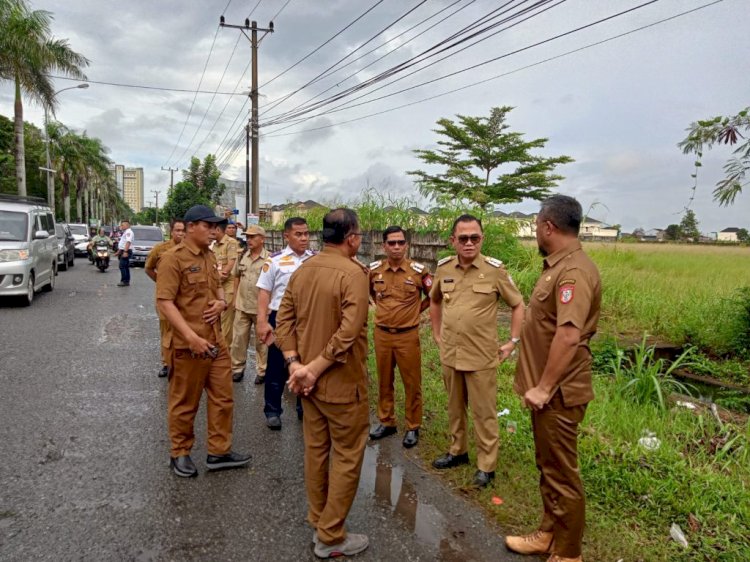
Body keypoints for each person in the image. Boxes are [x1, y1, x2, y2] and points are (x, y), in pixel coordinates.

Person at [505, 195, 601, 562]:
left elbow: (569, 335)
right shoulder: (559, 266)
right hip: (547, 392)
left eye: (535, 225)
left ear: (548, 226)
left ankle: (568, 552)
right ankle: (548, 534)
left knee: (562, 472)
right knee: (548, 466)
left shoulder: (573, 272)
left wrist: (544, 387)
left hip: (559, 393)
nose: (535, 231)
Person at [276, 208, 370, 559]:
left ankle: (319, 519)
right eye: (359, 234)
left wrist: (295, 363)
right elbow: (349, 331)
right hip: (340, 384)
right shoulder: (354, 273)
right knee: (346, 455)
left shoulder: (303, 271)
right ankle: (330, 537)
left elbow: (282, 319)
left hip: (307, 387)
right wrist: (312, 369)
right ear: (352, 238)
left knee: (316, 451)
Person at [429, 214, 525, 488]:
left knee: (484, 413)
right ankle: (457, 451)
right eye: (463, 238)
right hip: (451, 353)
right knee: (454, 407)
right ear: (453, 241)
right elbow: (434, 301)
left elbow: (518, 305)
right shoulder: (444, 269)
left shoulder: (495, 270)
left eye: (475, 238)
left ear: (481, 239)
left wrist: (512, 341)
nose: (469, 243)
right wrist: (437, 334)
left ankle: (486, 466)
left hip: (482, 355)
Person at [156, 205, 251, 478]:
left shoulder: (209, 255)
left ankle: (218, 451)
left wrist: (222, 302)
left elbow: (217, 285)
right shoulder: (172, 259)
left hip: (215, 341)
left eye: (216, 227)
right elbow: (165, 302)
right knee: (185, 403)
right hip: (189, 346)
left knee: (223, 398)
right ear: (192, 226)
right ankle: (180, 452)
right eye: (209, 227)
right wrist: (191, 337)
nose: (214, 232)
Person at [368, 226, 432, 448]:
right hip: (382, 334)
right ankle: (387, 421)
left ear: (407, 245)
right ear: (384, 245)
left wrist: (416, 312)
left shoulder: (419, 271)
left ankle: (413, 426)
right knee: (384, 380)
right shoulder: (374, 271)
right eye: (391, 243)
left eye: (400, 243)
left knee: (412, 382)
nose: (396, 247)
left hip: (408, 335)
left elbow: (434, 296)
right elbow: (371, 293)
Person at [256, 217, 315, 430]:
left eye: (306, 233)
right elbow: (264, 292)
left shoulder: (315, 259)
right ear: (286, 236)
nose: (304, 238)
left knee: (306, 362)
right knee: (276, 365)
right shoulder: (274, 261)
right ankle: (273, 410)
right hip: (280, 318)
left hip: (308, 319)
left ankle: (304, 407)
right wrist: (262, 322)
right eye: (298, 234)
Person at [145, 219, 186, 378]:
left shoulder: (189, 250)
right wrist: (162, 283)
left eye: (183, 230)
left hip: (183, 298)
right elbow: (148, 268)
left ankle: (181, 363)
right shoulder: (160, 249)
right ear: (171, 231)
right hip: (165, 298)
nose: (180, 234)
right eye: (177, 230)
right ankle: (167, 363)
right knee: (167, 332)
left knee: (183, 330)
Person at [230, 225, 269, 383]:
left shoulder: (270, 259)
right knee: (238, 340)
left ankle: (262, 370)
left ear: (262, 239)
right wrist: (234, 299)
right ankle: (238, 368)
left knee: (262, 342)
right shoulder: (242, 256)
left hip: (260, 309)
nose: (249, 240)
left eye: (253, 237)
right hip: (242, 306)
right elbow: (236, 276)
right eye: (247, 237)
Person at [211, 222, 239, 347]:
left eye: (212, 229)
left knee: (226, 321)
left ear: (218, 229)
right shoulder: (215, 245)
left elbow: (230, 264)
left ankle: (226, 350)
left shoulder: (231, 243)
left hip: (228, 286)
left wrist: (219, 277)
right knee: (216, 318)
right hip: (217, 286)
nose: (210, 232)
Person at [116, 218, 133, 287]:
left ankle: (124, 281)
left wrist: (125, 251)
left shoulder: (129, 232)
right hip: (124, 250)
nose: (121, 226)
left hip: (126, 251)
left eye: (122, 225)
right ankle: (127, 281)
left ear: (127, 225)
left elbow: (128, 242)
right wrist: (119, 251)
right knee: (125, 266)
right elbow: (123, 243)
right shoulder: (126, 232)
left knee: (122, 266)